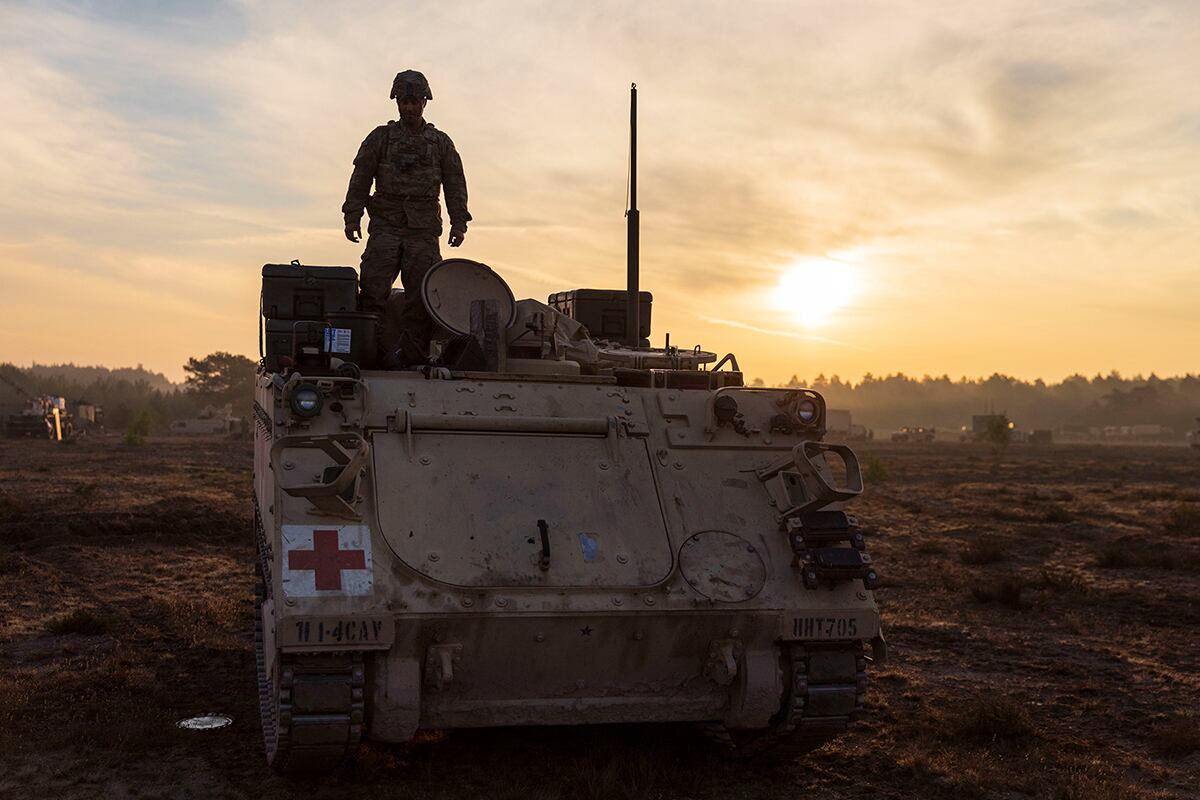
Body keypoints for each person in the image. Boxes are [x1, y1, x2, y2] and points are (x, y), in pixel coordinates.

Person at [342, 69, 471, 363]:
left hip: (423, 232)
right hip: (385, 227)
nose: (409, 107)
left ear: (425, 102)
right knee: (373, 294)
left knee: (422, 300)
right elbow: (360, 177)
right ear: (396, 102)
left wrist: (459, 222)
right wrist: (352, 216)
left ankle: (413, 359)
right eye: (404, 101)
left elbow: (455, 184)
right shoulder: (381, 138)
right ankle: (369, 357)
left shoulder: (440, 143)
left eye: (414, 101)